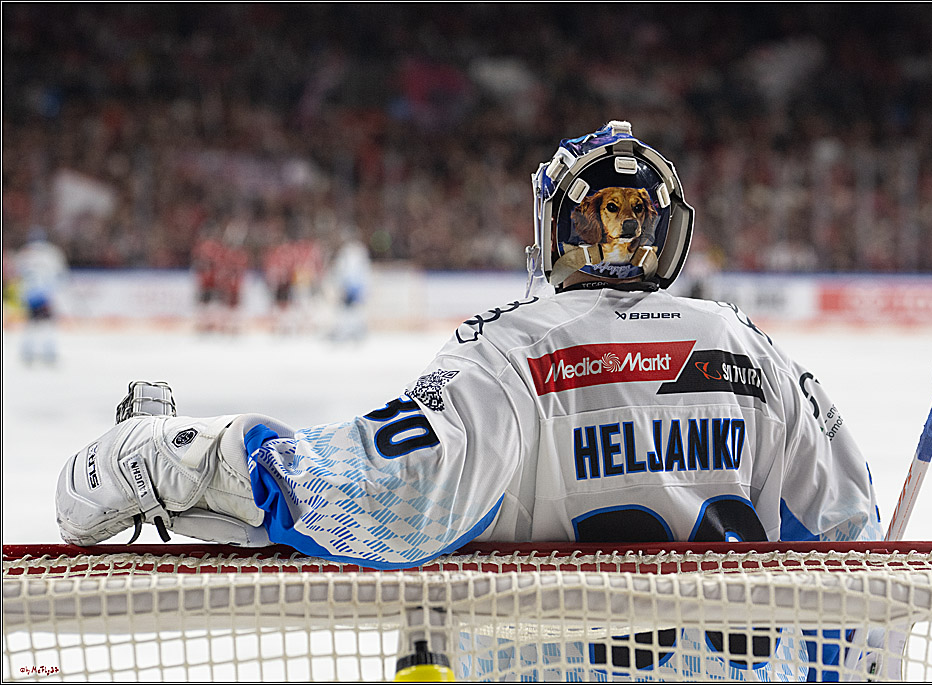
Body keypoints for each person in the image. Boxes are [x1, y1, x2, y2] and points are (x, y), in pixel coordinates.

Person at [55, 121, 881, 679]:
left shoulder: (519, 349)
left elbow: (380, 488)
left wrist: (169, 457)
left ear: (556, 228)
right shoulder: (752, 352)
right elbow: (854, 548)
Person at [14, 228, 68, 365]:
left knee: (32, 322)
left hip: (30, 293)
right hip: (44, 293)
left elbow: (17, 273)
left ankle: (28, 350)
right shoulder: (51, 252)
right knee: (48, 323)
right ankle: (48, 350)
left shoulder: (24, 252)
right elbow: (61, 274)